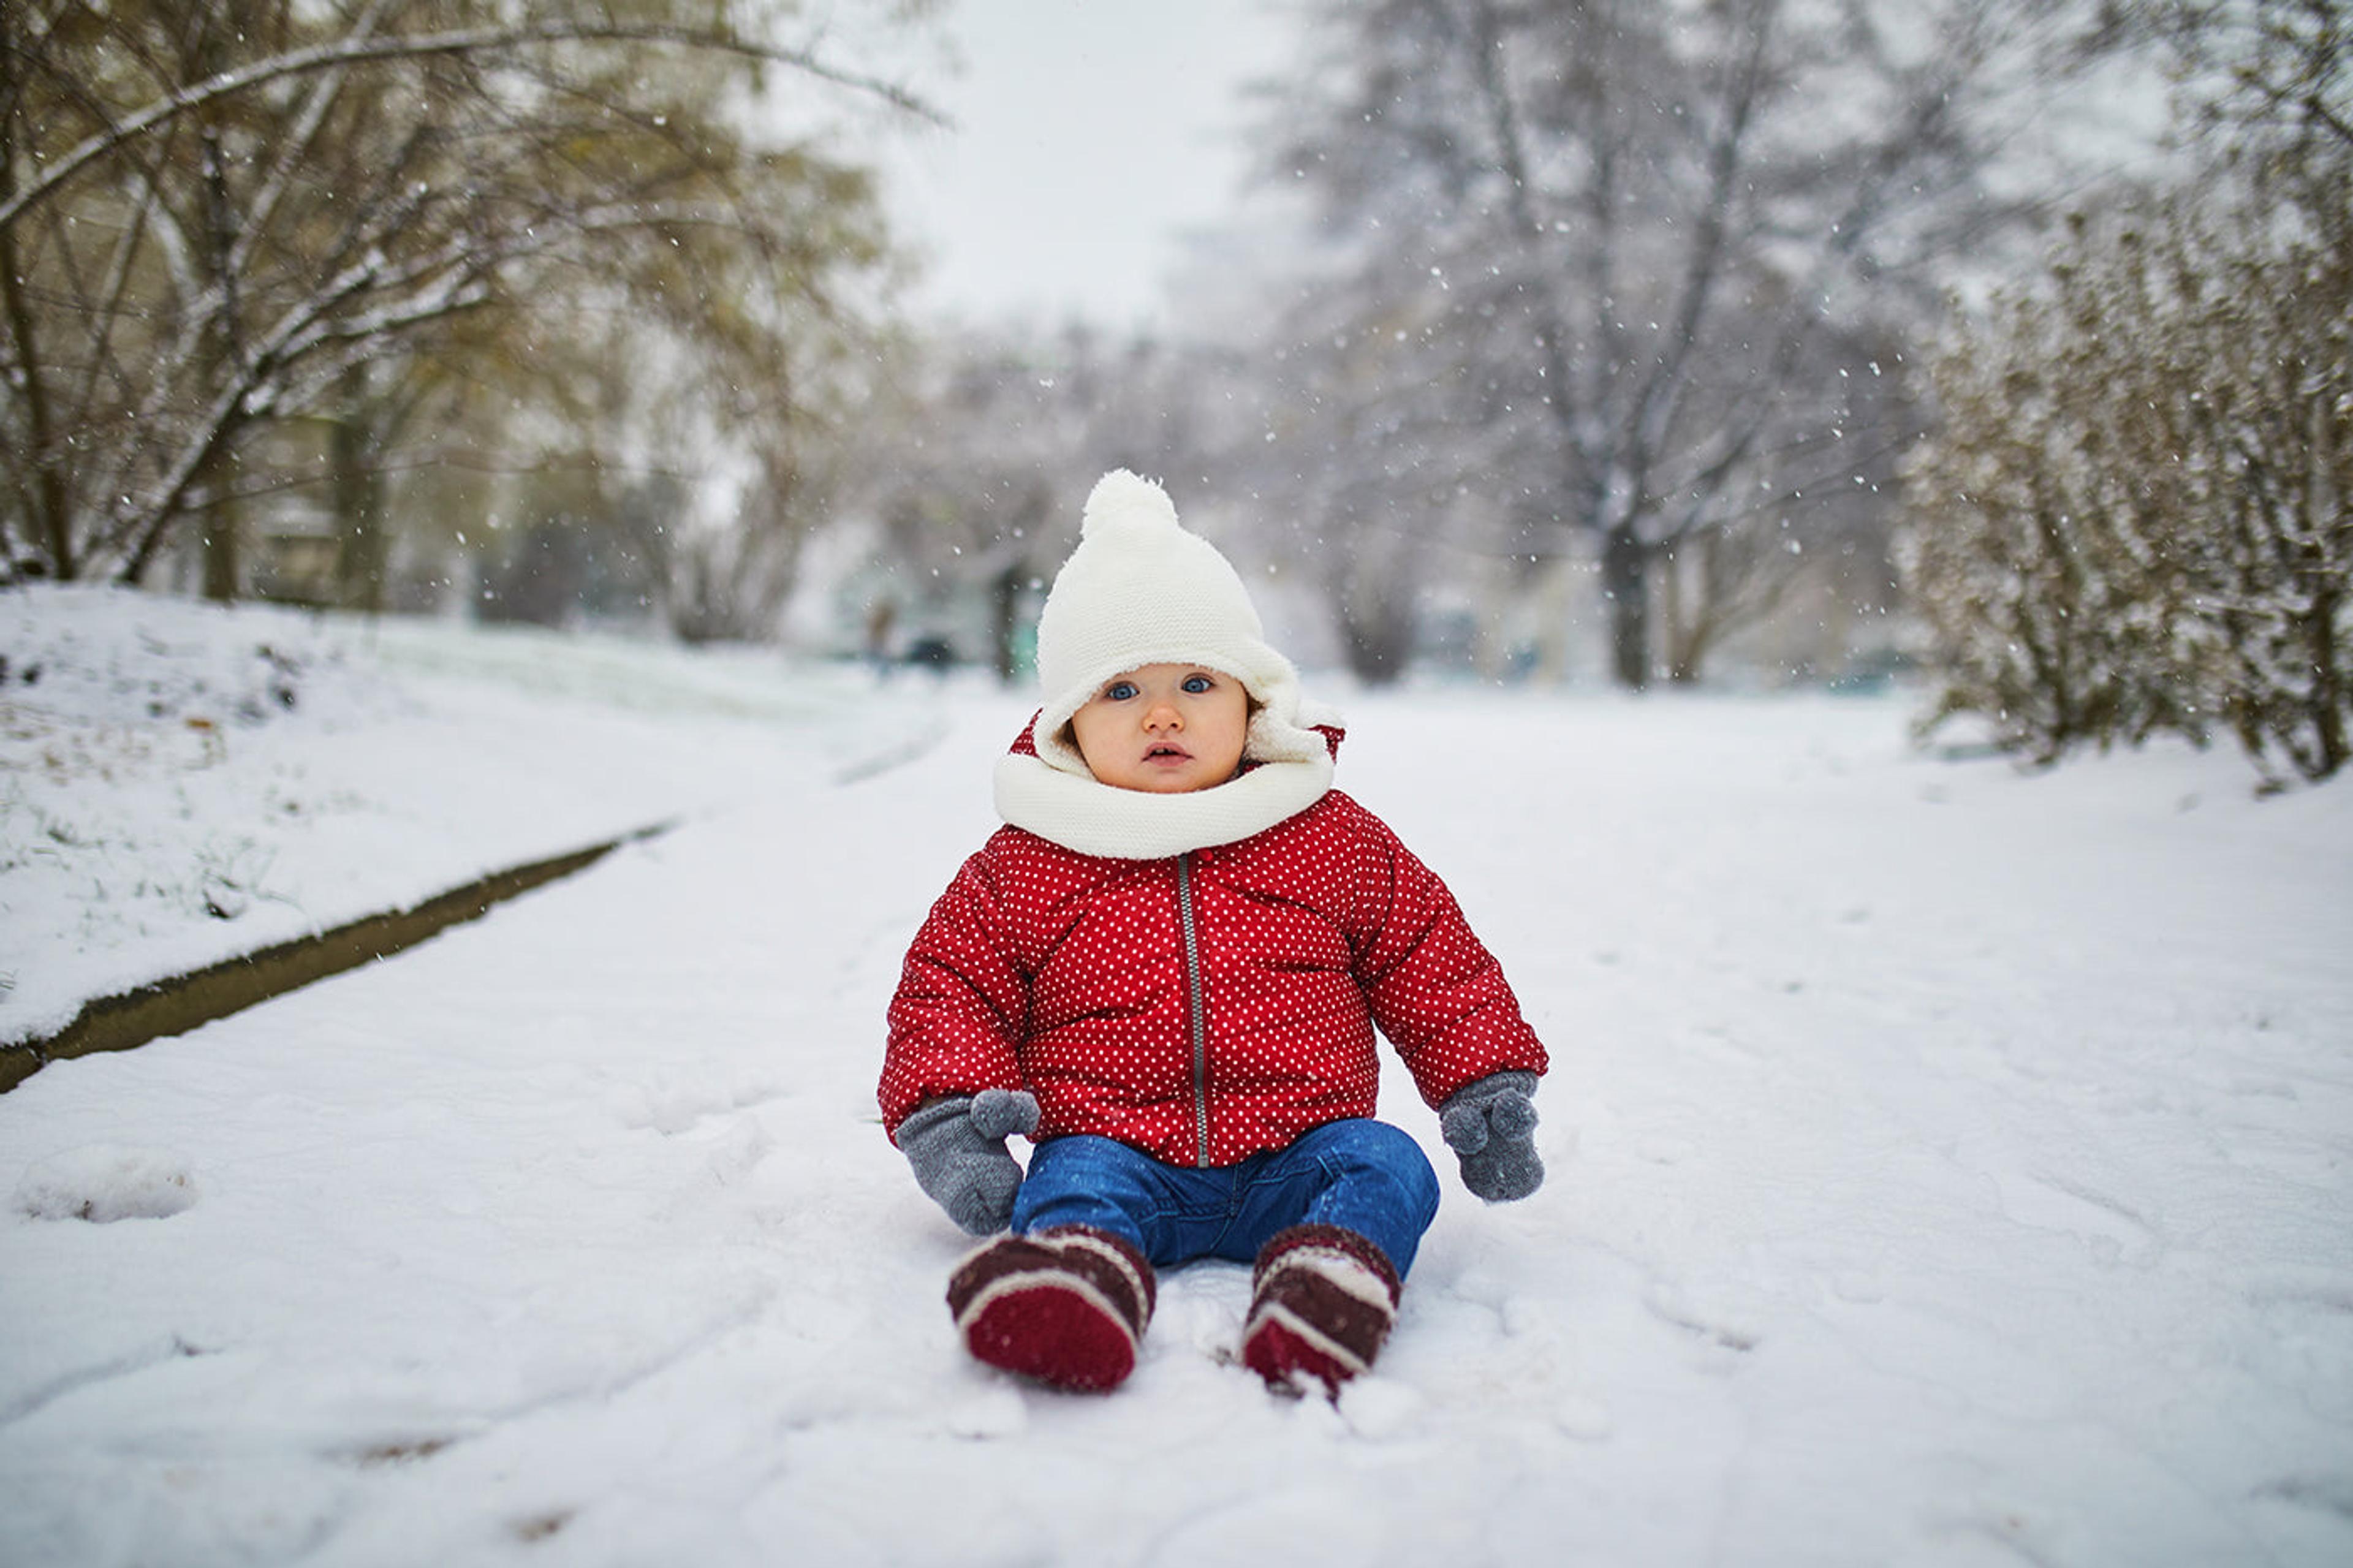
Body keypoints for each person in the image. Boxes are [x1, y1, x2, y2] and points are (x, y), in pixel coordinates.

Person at [879, 470, 1549, 1396]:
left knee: (1388, 1163)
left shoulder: (1324, 834)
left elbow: (1425, 952)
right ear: (1068, 721)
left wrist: (1483, 1085)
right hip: (1115, 1148)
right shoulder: (1032, 860)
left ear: (1252, 701)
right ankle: (1078, 1281)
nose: (1163, 713)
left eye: (1197, 681)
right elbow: (953, 984)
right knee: (1069, 1184)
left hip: (1302, 1150)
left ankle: (1328, 1280)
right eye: (1121, 690)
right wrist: (949, 1118)